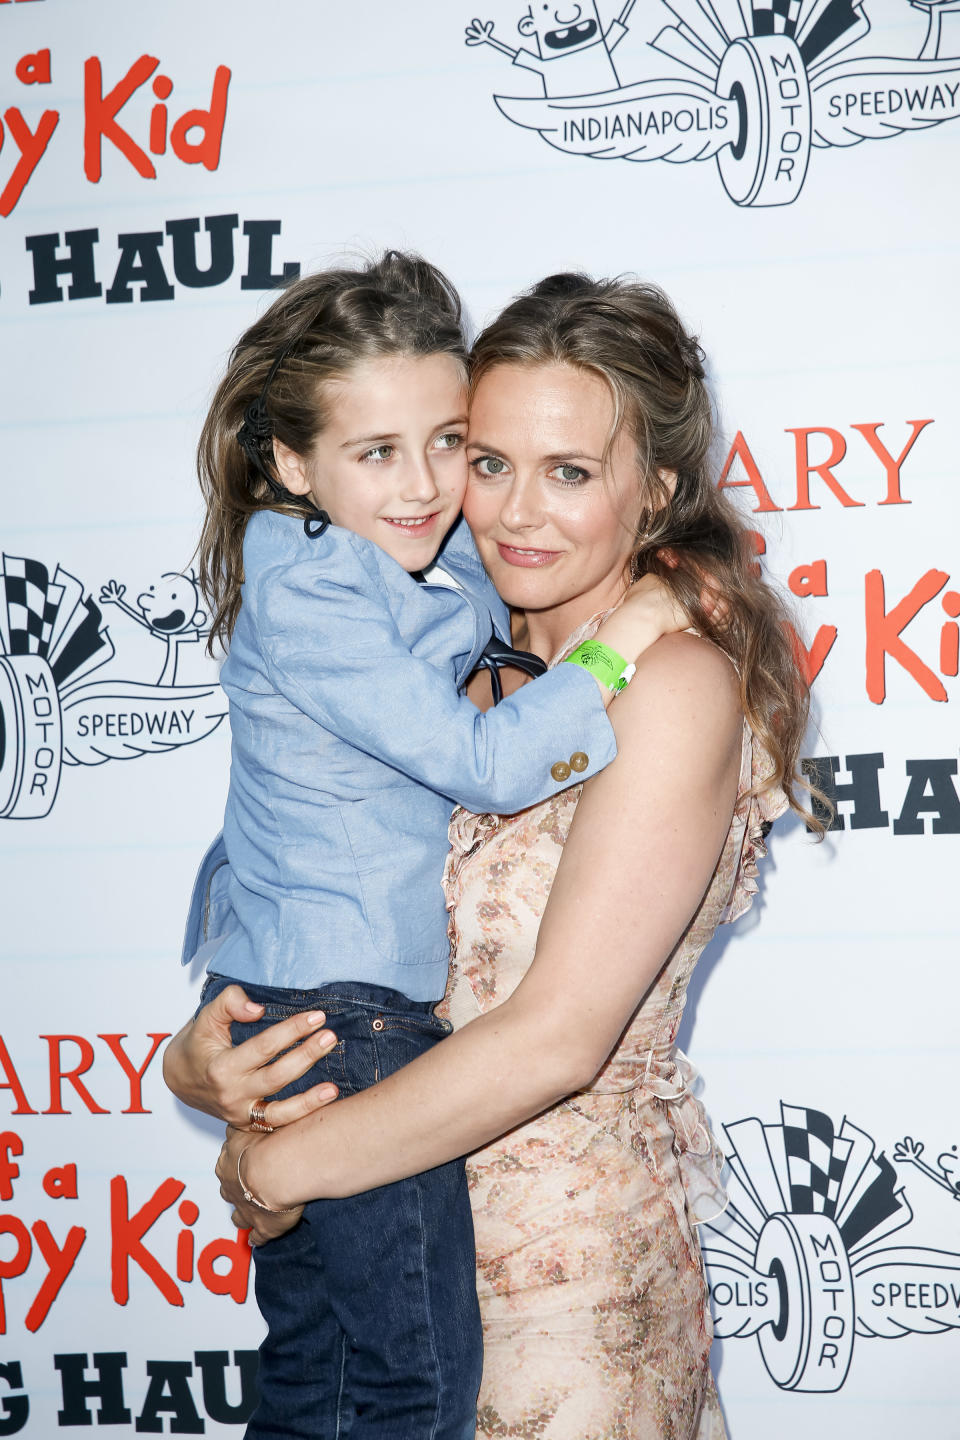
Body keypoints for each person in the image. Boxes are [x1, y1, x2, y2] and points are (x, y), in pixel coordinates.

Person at [167, 272, 821, 1439]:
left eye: (569, 472)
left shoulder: (668, 685)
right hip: (384, 1240)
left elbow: (555, 1040)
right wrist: (207, 1062)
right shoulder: (434, 648)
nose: (515, 512)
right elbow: (290, 876)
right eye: (488, 459)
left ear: (656, 489)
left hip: (557, 1295)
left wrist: (279, 1171)